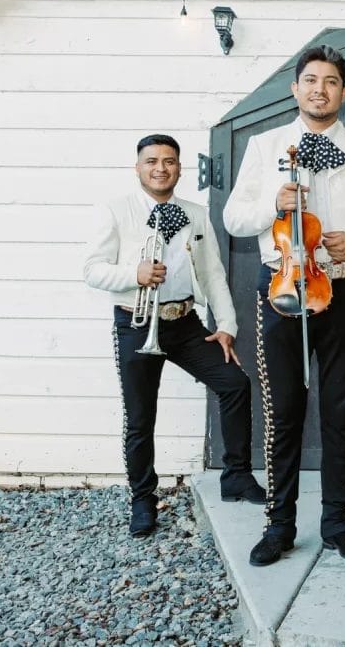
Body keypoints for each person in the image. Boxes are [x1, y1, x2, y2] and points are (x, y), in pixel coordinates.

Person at [223, 45, 345, 566]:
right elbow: (236, 218)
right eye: (310, 80)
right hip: (282, 289)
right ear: (295, 88)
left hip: (344, 290)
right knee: (283, 410)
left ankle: (337, 523)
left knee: (339, 411)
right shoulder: (264, 146)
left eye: (330, 81)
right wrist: (271, 205)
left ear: (344, 92)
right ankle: (279, 525)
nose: (319, 89)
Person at [84, 134, 264, 538]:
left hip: (184, 323)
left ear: (180, 168)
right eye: (152, 161)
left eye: (169, 161)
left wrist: (226, 327)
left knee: (234, 384)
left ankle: (236, 476)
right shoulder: (116, 211)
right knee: (140, 417)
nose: (160, 168)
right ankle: (143, 499)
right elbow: (92, 269)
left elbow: (214, 274)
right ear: (138, 168)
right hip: (136, 321)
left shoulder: (196, 213)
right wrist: (134, 274)